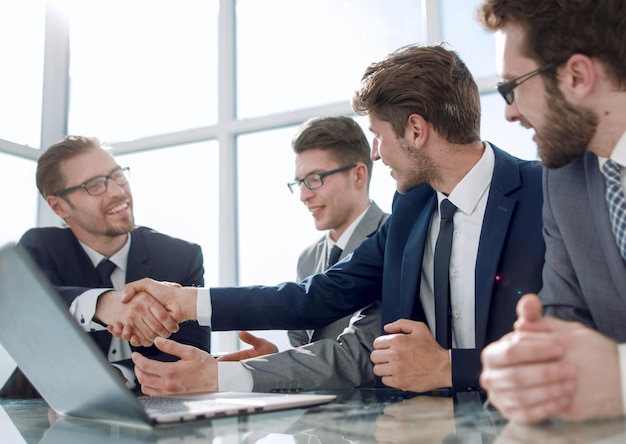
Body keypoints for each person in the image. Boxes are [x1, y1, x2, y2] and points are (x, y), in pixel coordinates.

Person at [113, 43, 545, 396]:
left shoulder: (545, 193)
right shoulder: (413, 210)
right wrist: (189, 302)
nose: (375, 153)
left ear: (415, 130)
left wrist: (450, 367)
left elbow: (584, 335)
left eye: (377, 134)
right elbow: (321, 294)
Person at [476, 0, 626, 423]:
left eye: (511, 88)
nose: (509, 112)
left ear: (577, 75)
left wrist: (621, 378)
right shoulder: (563, 180)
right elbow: (563, 316)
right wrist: (528, 371)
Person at [13, 135, 211, 393]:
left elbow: (191, 354)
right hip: (37, 408)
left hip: (152, 410)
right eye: (95, 185)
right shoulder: (42, 246)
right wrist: (104, 305)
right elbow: (26, 305)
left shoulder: (179, 256)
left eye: (118, 176)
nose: (118, 192)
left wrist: (119, 374)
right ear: (59, 206)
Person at [212, 115, 388, 392]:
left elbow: (362, 357)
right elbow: (306, 355)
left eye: (315, 179)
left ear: (358, 174)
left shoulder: (391, 238)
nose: (304, 195)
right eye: (299, 182)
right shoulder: (308, 258)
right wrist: (274, 362)